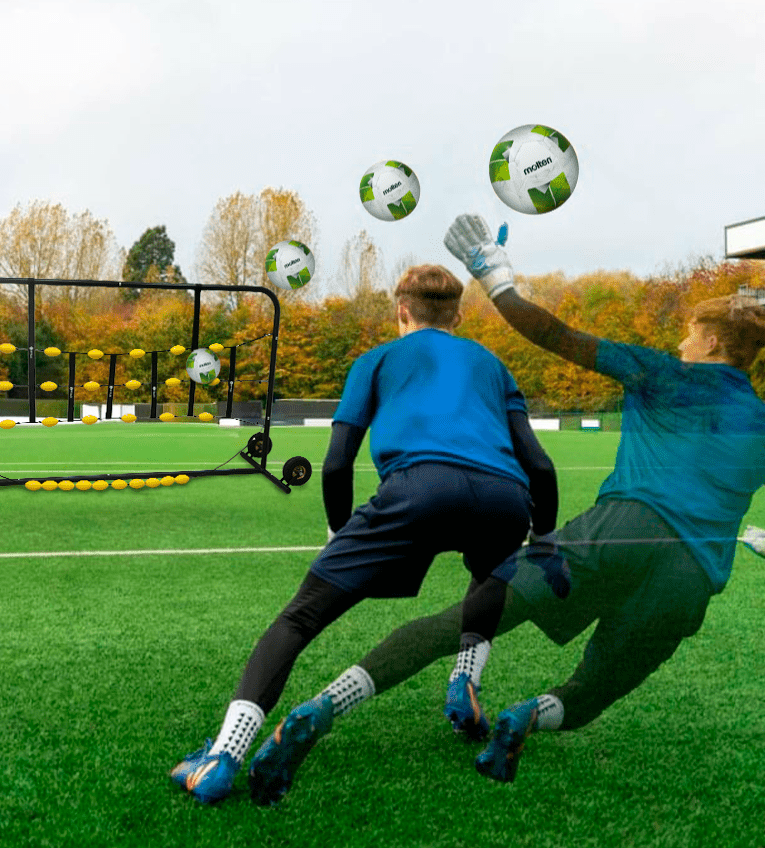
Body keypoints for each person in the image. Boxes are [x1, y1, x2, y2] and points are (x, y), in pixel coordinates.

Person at [244, 214, 765, 793]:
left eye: (691, 333)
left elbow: (553, 334)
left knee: (458, 622)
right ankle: (525, 717)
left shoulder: (663, 374)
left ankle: (324, 706)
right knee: (595, 689)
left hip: (617, 531)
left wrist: (496, 278)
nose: (682, 342)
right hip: (691, 578)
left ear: (714, 342)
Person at [170, 262, 558, 805]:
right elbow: (539, 466)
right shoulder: (493, 365)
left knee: (300, 617)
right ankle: (465, 681)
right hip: (506, 499)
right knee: (493, 569)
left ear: (401, 311)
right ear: (458, 315)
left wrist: (337, 530)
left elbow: (336, 465)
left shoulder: (376, 360)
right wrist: (544, 540)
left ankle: (223, 755)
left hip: (418, 492)